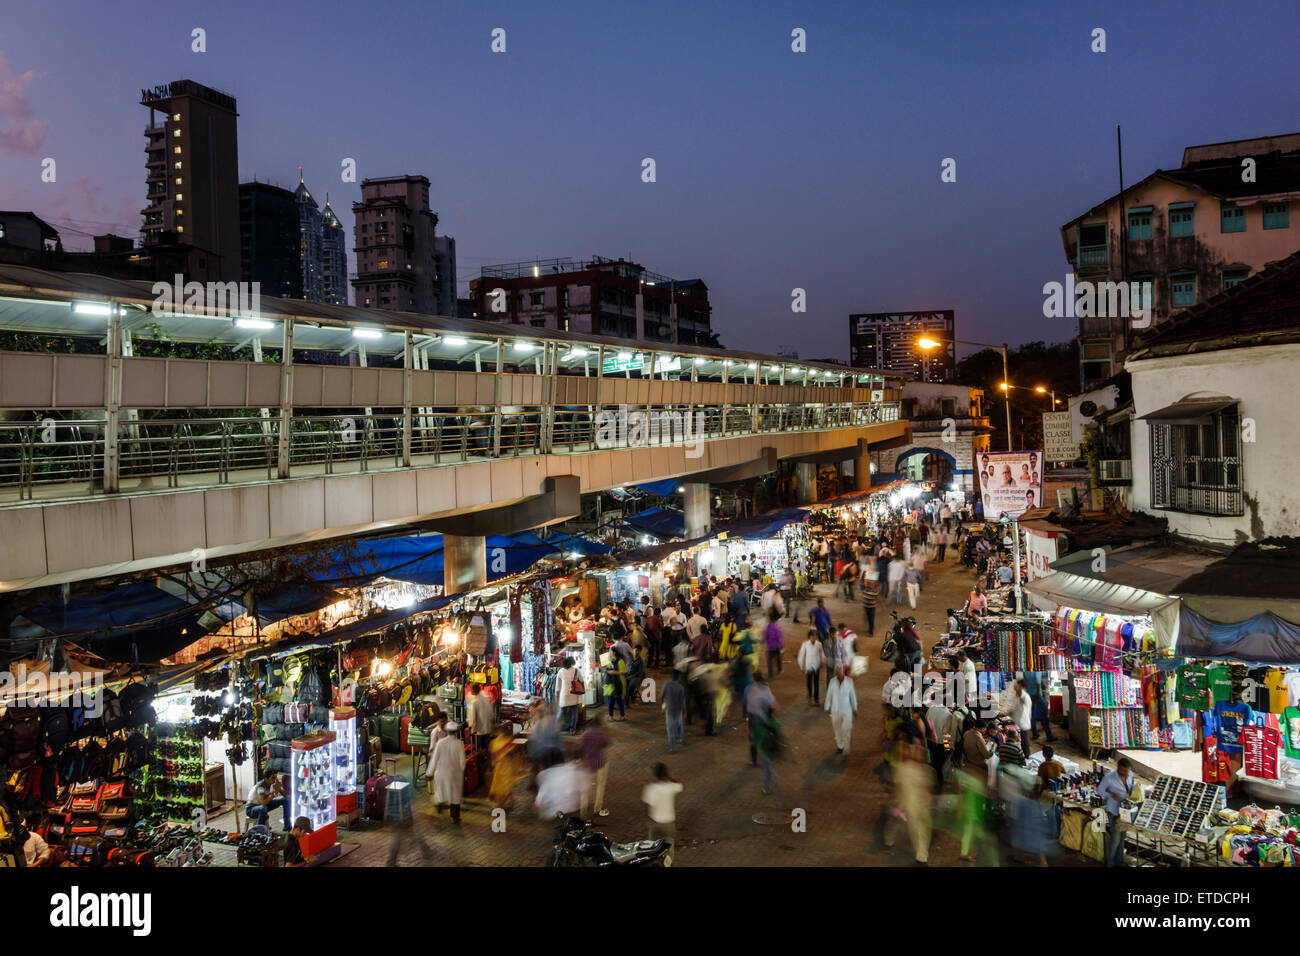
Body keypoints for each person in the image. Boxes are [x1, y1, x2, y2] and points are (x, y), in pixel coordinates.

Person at [1098, 758, 1135, 867]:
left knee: (1123, 836)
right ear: (1118, 767)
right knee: (1115, 838)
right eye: (1124, 771)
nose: (1126, 773)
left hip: (1125, 810)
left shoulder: (1130, 774)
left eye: (1127, 771)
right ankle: (1111, 863)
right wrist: (1111, 795)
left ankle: (1120, 861)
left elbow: (1131, 787)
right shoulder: (1109, 778)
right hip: (1114, 810)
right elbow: (1100, 790)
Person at [428, 720, 467, 822]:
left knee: (441, 792)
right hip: (454, 774)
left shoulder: (440, 743)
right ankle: (454, 817)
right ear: (456, 731)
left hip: (441, 773)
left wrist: (429, 772)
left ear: (447, 731)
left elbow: (434, 759)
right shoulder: (460, 744)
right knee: (455, 796)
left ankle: (440, 804)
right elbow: (462, 762)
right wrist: (461, 771)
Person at [642, 763, 683, 851]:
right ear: (666, 774)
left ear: (655, 775)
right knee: (669, 846)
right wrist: (669, 778)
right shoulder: (671, 786)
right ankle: (669, 862)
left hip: (655, 821)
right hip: (669, 821)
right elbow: (680, 785)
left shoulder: (651, 788)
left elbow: (649, 804)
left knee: (652, 846)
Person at [577, 716, 612, 818]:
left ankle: (583, 809)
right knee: (600, 786)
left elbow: (579, 749)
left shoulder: (585, 735)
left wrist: (578, 758)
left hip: (587, 765)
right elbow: (607, 743)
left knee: (585, 788)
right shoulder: (601, 734)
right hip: (601, 764)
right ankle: (597, 808)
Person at [825, 665, 858, 755]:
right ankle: (840, 746)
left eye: (840, 672)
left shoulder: (849, 682)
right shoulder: (832, 682)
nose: (838, 674)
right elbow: (829, 695)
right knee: (837, 729)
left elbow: (852, 696)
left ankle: (846, 747)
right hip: (835, 710)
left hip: (847, 710)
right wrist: (827, 706)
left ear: (843, 672)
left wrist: (855, 708)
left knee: (846, 728)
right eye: (837, 672)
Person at [488, 724, 524, 809]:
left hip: (505, 768)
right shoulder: (498, 742)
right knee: (501, 786)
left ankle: (501, 803)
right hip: (502, 768)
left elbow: (494, 756)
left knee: (503, 786)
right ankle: (504, 801)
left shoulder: (497, 742)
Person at [1022, 670, 1056, 742]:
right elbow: (1038, 682)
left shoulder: (1025, 670)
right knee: (1044, 714)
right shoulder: (1037, 669)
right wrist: (1038, 692)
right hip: (1037, 694)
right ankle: (1049, 735)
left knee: (1032, 715)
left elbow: (1024, 682)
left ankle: (1035, 734)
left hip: (1029, 694)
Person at [662, 670, 687, 751]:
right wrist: (684, 711)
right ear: (678, 677)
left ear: (671, 676)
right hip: (678, 710)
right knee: (680, 724)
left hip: (669, 709)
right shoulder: (680, 687)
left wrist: (663, 703)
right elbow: (682, 701)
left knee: (670, 729)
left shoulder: (666, 685)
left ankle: (672, 747)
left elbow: (661, 696)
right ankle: (680, 738)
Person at [1009, 679, 1034, 759]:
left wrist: (1018, 691)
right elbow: (1016, 707)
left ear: (1021, 687)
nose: (1015, 687)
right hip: (1017, 722)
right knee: (1018, 742)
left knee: (1024, 742)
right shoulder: (1016, 696)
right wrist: (1011, 713)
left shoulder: (1025, 696)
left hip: (1023, 723)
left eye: (1017, 685)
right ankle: (1020, 757)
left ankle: (1027, 758)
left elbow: (1022, 701)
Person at [466, 683, 495, 753]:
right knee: (487, 749)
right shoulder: (486, 698)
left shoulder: (474, 702)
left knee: (479, 750)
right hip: (487, 728)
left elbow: (472, 718)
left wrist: (470, 727)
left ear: (473, 690)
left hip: (478, 731)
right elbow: (491, 713)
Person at [798, 629, 824, 704]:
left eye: (815, 636)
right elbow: (801, 655)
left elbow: (822, 653)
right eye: (812, 636)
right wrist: (802, 666)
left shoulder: (819, 644)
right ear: (809, 637)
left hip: (816, 666)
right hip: (808, 666)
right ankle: (809, 696)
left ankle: (816, 699)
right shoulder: (805, 644)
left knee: (816, 683)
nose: (814, 638)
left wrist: (822, 661)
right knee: (809, 683)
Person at [557, 656, 582, 734]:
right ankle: (572, 730)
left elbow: (557, 687)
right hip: (574, 694)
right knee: (574, 713)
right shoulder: (577, 671)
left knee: (561, 713)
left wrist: (556, 695)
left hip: (564, 695)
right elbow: (581, 681)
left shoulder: (560, 671)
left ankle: (555, 728)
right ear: (572, 663)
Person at [603, 652, 627, 720]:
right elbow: (605, 668)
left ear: (615, 652)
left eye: (611, 651)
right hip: (611, 684)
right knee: (611, 700)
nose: (609, 653)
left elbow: (623, 671)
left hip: (619, 683)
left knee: (620, 700)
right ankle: (611, 716)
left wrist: (613, 672)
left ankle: (622, 716)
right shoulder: (609, 660)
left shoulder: (620, 661)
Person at [762, 614, 784, 679]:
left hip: (769, 647)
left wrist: (764, 642)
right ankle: (780, 670)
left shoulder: (767, 628)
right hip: (776, 647)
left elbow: (765, 637)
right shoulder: (777, 628)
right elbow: (779, 638)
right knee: (778, 658)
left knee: (769, 661)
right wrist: (781, 646)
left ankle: (770, 674)